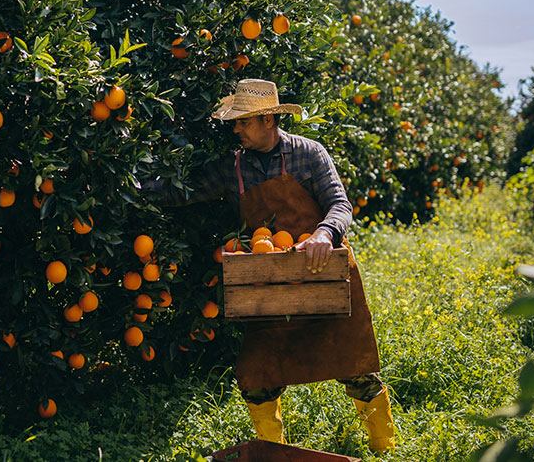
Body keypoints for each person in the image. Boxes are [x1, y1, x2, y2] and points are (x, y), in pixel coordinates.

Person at [144, 79, 396, 452]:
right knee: (258, 375)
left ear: (266, 119)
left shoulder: (310, 154)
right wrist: (125, 188)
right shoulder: (233, 168)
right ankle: (273, 454)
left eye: (242, 122)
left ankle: (385, 448)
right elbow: (182, 191)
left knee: (355, 365)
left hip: (322, 275)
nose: (236, 129)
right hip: (268, 287)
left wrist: (324, 234)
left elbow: (340, 205)